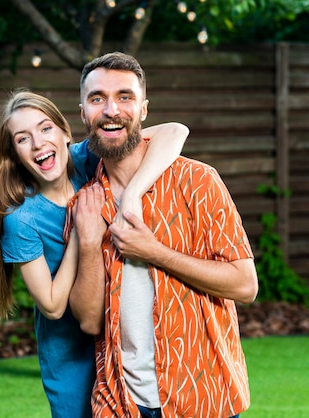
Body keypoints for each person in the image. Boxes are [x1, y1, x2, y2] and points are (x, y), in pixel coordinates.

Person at [70, 51, 259, 418]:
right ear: (83, 114)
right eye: (98, 99)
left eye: (125, 97)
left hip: (204, 396)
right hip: (119, 402)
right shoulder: (85, 204)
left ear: (143, 110)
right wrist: (91, 243)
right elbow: (90, 321)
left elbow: (244, 285)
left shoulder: (198, 182)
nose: (111, 110)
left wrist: (155, 252)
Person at [0, 90, 188, 418]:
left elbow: (175, 132)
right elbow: (51, 306)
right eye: (23, 139)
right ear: (14, 154)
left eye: (46, 129)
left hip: (122, 345)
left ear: (66, 133)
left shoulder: (86, 159)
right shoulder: (21, 217)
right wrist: (82, 233)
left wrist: (134, 193)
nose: (38, 143)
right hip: (71, 357)